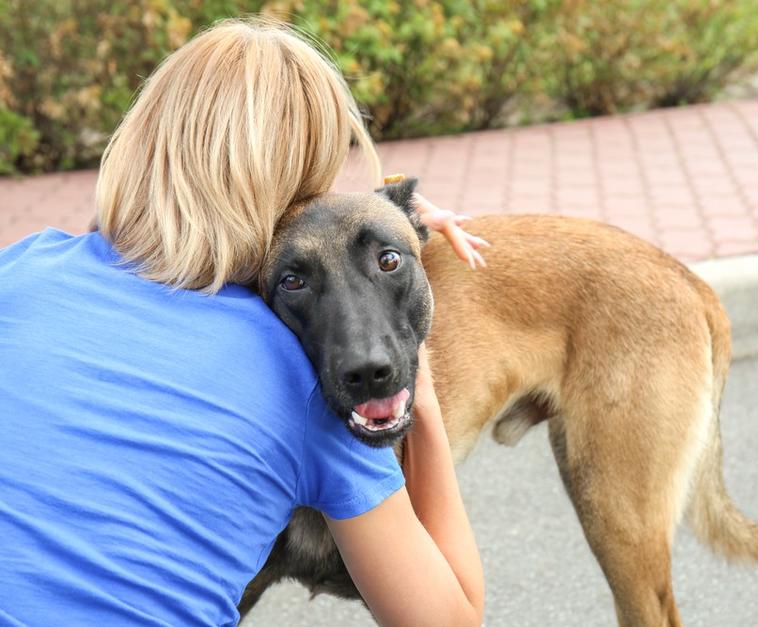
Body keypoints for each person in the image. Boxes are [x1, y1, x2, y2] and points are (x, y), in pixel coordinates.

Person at [0, 18, 486, 626]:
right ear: (293, 186)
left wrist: (389, 215)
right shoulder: (290, 373)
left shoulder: (20, 269)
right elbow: (450, 621)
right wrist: (424, 397)